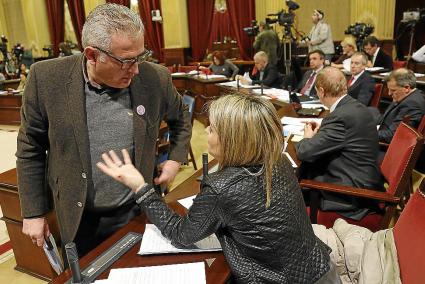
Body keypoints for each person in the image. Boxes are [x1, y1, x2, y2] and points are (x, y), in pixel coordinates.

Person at [98, 94, 341, 284]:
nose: (205, 132)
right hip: (322, 268)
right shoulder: (275, 160)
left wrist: (140, 187)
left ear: (232, 139)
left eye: (212, 128)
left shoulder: (222, 188)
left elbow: (182, 234)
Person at [16, 3, 191, 258]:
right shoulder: (46, 79)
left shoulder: (156, 78)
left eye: (141, 56)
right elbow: (30, 147)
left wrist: (175, 159)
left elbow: (182, 118)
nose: (136, 69)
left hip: (137, 210)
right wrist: (33, 212)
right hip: (77, 216)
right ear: (91, 54)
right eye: (126, 61)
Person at [295, 67, 382, 221]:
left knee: (292, 187)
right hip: (362, 176)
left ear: (321, 91)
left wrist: (307, 137)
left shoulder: (340, 117)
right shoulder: (354, 107)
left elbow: (304, 152)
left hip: (351, 193)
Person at [375, 68, 425, 143]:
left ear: (406, 88)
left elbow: (392, 136)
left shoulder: (412, 104)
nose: (389, 93)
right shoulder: (407, 96)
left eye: (393, 90)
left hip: (386, 148)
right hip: (381, 132)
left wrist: (366, 134)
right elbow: (385, 120)